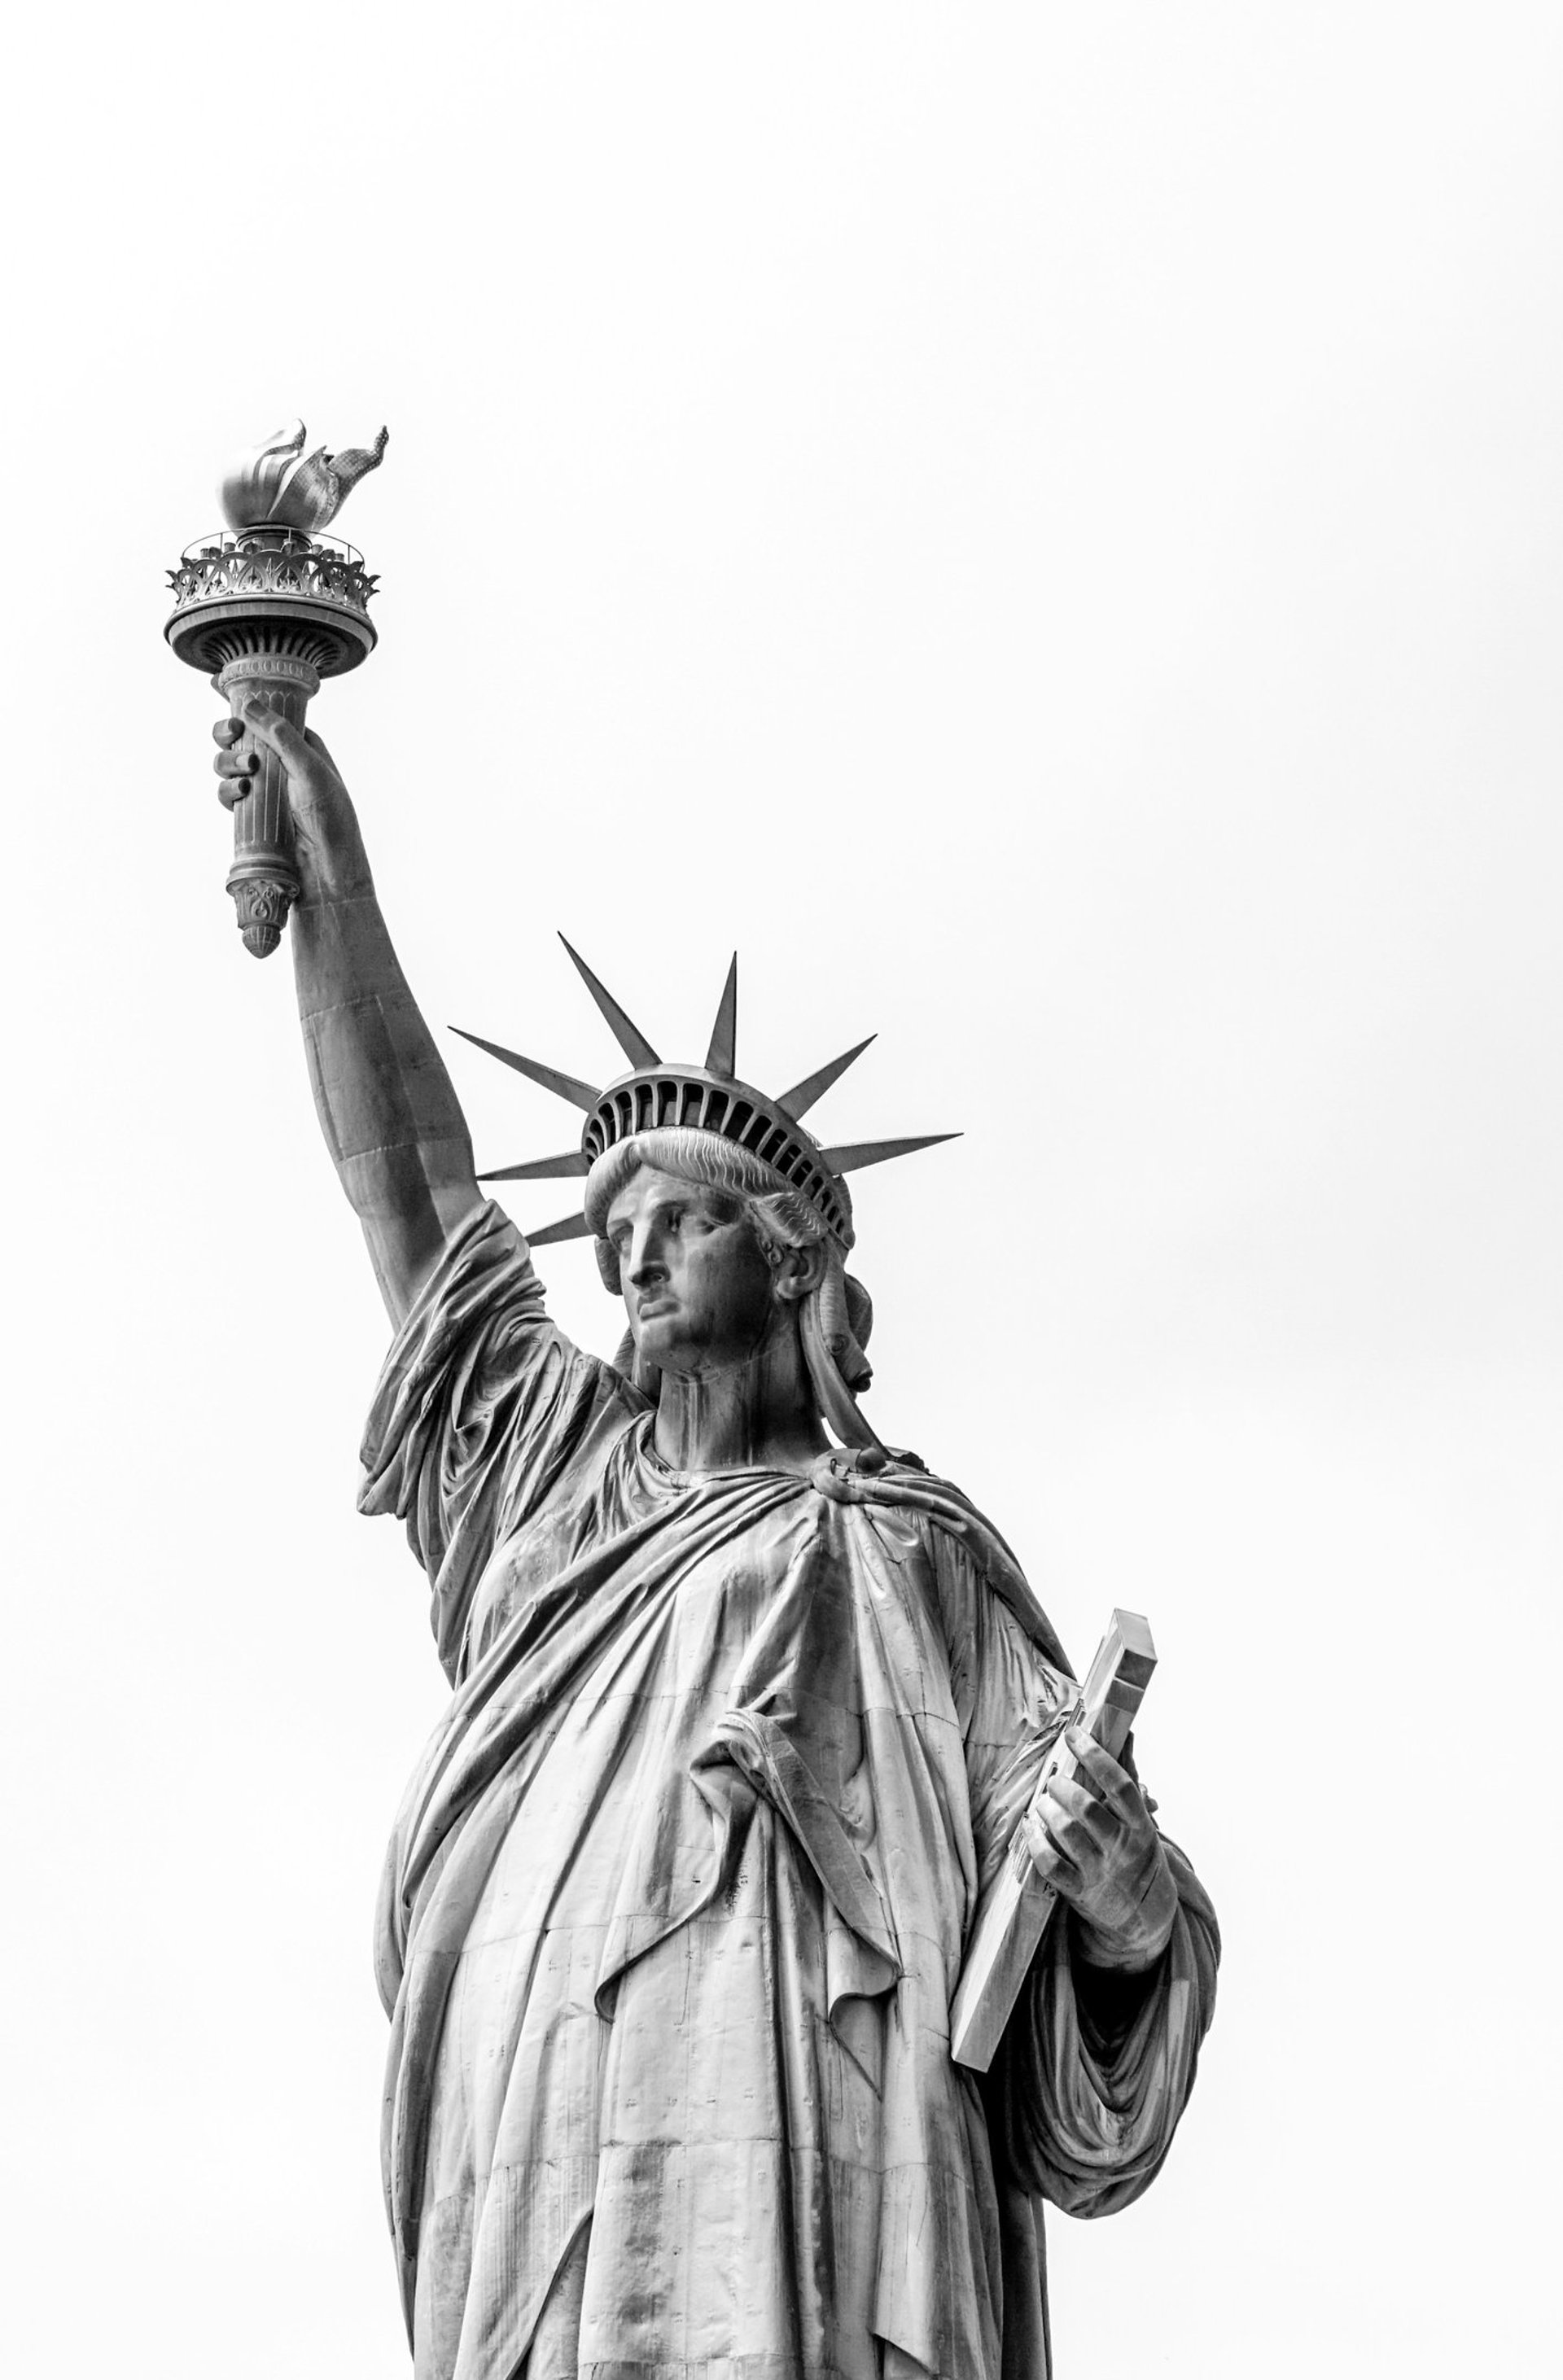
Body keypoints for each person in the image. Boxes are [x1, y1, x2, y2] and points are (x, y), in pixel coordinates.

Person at [215, 702, 1219, 2380]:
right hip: (549, 2166)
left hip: (834, 2163)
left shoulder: (911, 1561)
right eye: (617, 1230)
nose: (636, 1255)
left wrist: (1122, 1899)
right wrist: (318, 843)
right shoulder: (549, 1483)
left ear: (798, 1272)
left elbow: (1065, 1903)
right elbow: (407, 1181)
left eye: (682, 1218)